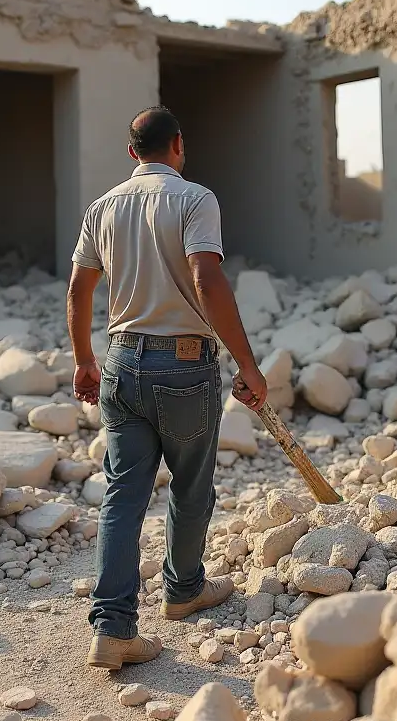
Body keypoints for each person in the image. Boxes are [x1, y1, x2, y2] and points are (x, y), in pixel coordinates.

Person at [66, 105, 269, 670]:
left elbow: (79, 288)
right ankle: (182, 591)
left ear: (132, 153)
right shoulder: (196, 199)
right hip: (183, 368)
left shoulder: (101, 208)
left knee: (121, 497)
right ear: (179, 144)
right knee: (191, 486)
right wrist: (245, 363)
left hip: (121, 363)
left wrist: (84, 360)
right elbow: (206, 276)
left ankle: (112, 629)